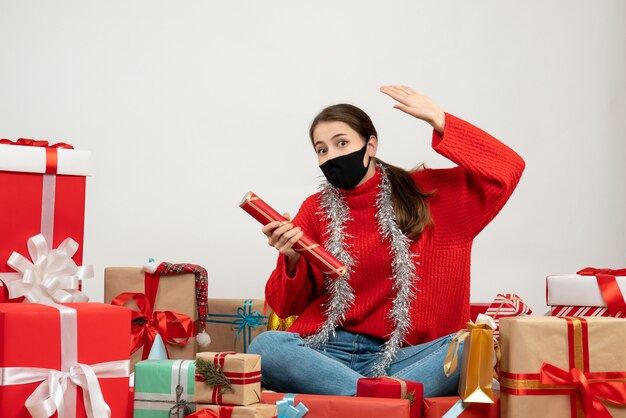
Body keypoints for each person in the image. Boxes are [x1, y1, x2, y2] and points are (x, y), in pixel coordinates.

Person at [247, 85, 525, 397]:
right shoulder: (316, 208)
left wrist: (441, 120)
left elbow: (508, 168)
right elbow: (285, 305)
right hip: (327, 352)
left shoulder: (431, 195)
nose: (332, 156)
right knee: (266, 346)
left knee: (470, 348)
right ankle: (381, 402)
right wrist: (291, 258)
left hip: (406, 357)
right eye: (322, 149)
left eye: (341, 143)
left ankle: (362, 399)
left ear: (370, 145)